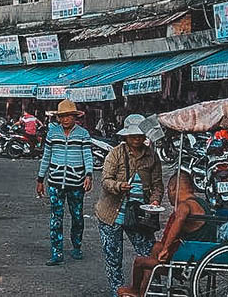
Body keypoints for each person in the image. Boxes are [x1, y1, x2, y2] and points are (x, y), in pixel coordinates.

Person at [97, 114, 164, 297]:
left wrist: (155, 200)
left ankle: (149, 290)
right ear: (126, 136)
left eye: (140, 135)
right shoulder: (116, 153)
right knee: (113, 257)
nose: (137, 139)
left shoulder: (152, 155)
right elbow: (105, 181)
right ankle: (117, 291)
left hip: (139, 215)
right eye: (133, 136)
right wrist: (119, 186)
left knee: (148, 254)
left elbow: (158, 184)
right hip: (111, 214)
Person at [119, 172, 214, 297]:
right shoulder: (201, 202)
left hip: (190, 260)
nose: (168, 196)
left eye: (168, 191)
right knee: (156, 246)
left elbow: (178, 222)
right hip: (200, 252)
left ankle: (135, 290)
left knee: (139, 262)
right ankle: (143, 292)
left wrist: (165, 249)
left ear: (172, 189)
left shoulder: (185, 206)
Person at [36, 99, 93, 265]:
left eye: (69, 116)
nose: (65, 119)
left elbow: (87, 156)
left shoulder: (83, 134)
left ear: (75, 117)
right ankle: (56, 252)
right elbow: (46, 157)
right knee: (56, 218)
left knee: (77, 216)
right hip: (55, 182)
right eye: (62, 116)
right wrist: (40, 178)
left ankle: (76, 246)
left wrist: (88, 175)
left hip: (76, 183)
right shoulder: (52, 134)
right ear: (58, 118)